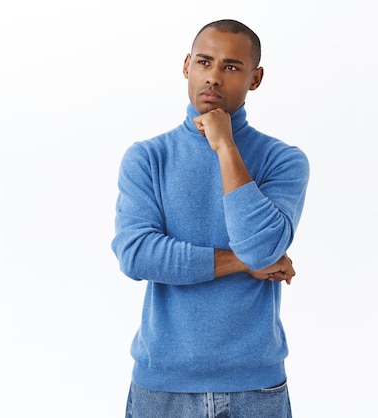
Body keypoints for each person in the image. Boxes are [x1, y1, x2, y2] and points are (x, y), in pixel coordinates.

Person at [111, 19, 309, 418]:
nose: (214, 77)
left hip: (255, 385)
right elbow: (136, 255)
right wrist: (241, 263)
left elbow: (262, 246)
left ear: (255, 78)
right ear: (187, 66)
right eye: (204, 62)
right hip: (162, 383)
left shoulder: (283, 160)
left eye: (232, 67)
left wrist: (225, 145)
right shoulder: (148, 158)